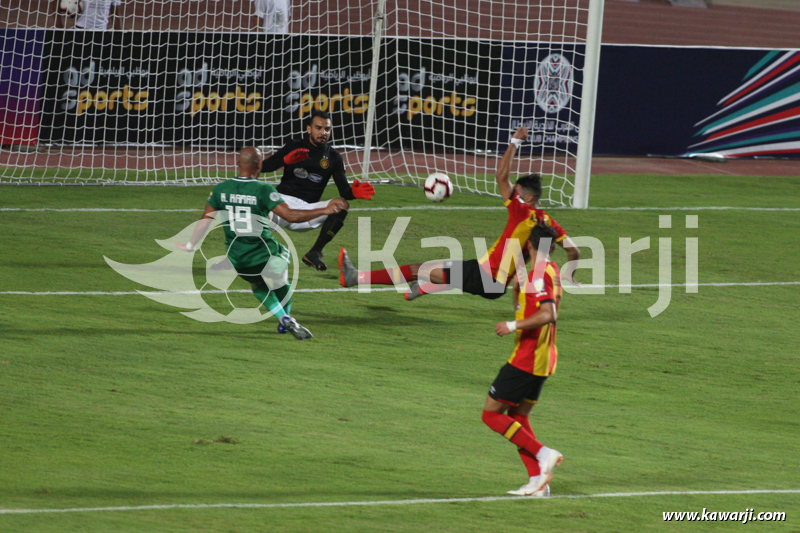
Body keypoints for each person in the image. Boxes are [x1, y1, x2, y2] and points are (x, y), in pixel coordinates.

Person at [337, 126, 579, 299]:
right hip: (492, 278)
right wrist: (570, 273)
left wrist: (515, 142)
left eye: (516, 192)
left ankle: (355, 278)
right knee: (436, 269)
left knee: (414, 269)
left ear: (527, 197)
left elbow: (501, 176)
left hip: (487, 277)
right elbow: (573, 250)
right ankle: (424, 287)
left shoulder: (521, 210)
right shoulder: (547, 221)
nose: (512, 194)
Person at [175, 147, 348, 340]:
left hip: (237, 256)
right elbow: (291, 215)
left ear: (238, 164)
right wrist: (324, 210)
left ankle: (282, 318)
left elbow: (205, 220)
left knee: (258, 285)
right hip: (265, 251)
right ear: (259, 165)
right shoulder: (263, 190)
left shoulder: (221, 189)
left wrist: (190, 245)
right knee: (282, 266)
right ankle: (288, 317)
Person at [482, 223, 563, 497]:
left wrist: (512, 325)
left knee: (491, 414)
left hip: (527, 359)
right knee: (518, 417)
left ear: (529, 245)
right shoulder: (550, 270)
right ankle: (537, 482)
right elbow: (530, 307)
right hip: (544, 359)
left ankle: (543, 453)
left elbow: (548, 313)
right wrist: (517, 294)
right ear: (552, 247)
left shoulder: (539, 274)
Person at [260, 109, 375, 272]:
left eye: (327, 129)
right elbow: (263, 167)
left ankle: (315, 252)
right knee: (258, 223)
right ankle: (246, 257)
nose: (323, 133)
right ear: (309, 129)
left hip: (308, 212)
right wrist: (284, 160)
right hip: (282, 204)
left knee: (342, 204)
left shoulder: (334, 157)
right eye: (319, 128)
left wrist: (353, 193)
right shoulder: (294, 146)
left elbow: (344, 191)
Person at [54, 0, 123, 30]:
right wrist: (58, 25)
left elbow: (116, 12)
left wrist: (119, 32)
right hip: (81, 30)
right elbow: (54, 2)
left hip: (102, 31)